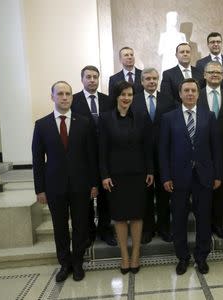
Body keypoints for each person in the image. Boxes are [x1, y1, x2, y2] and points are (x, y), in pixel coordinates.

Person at [32, 81, 98, 282]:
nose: (64, 97)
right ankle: (64, 264)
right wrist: (40, 189)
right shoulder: (42, 125)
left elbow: (91, 156)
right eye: (59, 93)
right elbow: (37, 160)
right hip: (54, 186)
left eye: (68, 93)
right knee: (59, 227)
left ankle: (77, 263)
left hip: (80, 185)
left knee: (80, 226)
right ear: (52, 97)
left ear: (72, 97)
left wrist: (94, 184)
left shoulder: (84, 122)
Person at [159, 78, 222, 275]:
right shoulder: (169, 118)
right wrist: (166, 176)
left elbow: (216, 148)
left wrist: (218, 174)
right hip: (178, 177)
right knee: (178, 219)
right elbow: (163, 149)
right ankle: (183, 257)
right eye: (186, 90)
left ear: (198, 93)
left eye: (193, 90)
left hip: (204, 176)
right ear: (180, 94)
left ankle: (202, 256)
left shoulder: (209, 116)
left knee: (204, 218)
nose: (190, 94)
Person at [98, 81, 154, 274]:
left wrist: (150, 170)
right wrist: (104, 175)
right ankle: (124, 256)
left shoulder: (141, 116)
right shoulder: (105, 119)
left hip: (138, 175)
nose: (126, 98)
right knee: (120, 218)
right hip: (115, 177)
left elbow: (148, 147)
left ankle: (136, 255)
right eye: (123, 94)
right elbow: (102, 150)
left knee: (137, 216)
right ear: (116, 96)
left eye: (130, 95)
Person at [71, 65, 117, 247]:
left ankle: (105, 230)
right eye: (88, 77)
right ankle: (89, 231)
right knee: (86, 197)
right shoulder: (73, 100)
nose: (92, 80)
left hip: (106, 155)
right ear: (82, 79)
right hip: (83, 157)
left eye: (95, 77)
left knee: (106, 196)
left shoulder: (108, 101)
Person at [131, 68, 177, 244]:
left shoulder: (168, 100)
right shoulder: (133, 101)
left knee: (164, 195)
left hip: (164, 155)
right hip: (140, 156)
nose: (151, 81)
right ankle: (148, 229)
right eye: (147, 78)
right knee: (146, 194)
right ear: (141, 81)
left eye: (154, 78)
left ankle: (164, 228)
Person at [198, 61, 223, 239]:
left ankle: (218, 224)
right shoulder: (195, 95)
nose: (215, 74)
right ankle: (204, 225)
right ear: (204, 75)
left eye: (219, 72)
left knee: (220, 192)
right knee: (203, 192)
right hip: (201, 153)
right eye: (211, 72)